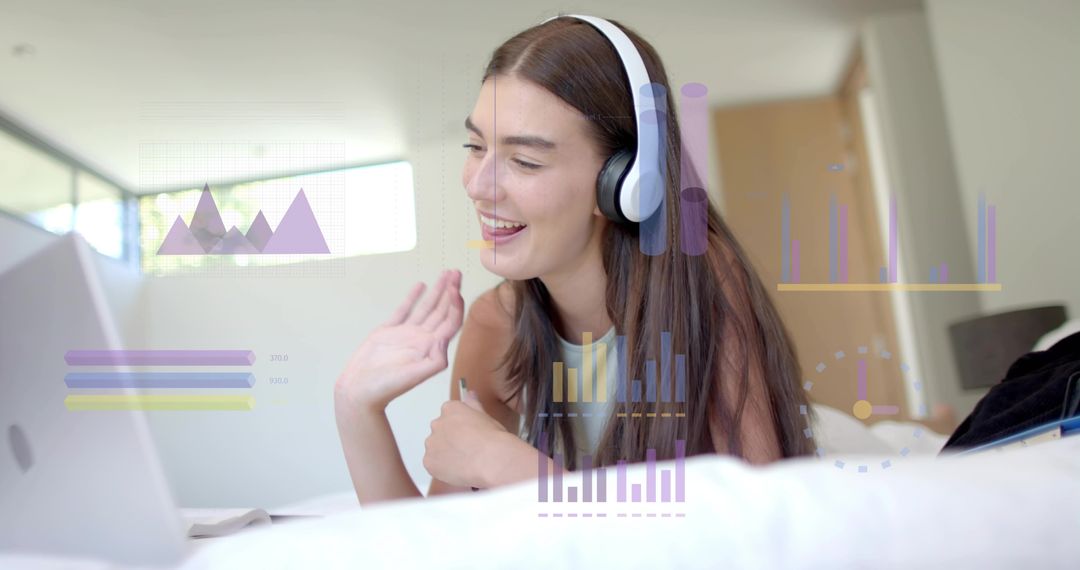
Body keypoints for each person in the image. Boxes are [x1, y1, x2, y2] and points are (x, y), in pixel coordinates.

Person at [334, 15, 815, 505]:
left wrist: (510, 465)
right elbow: (431, 547)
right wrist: (356, 408)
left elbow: (763, 522)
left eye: (525, 161)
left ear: (624, 183)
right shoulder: (496, 326)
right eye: (475, 146)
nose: (478, 185)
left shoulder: (701, 279)